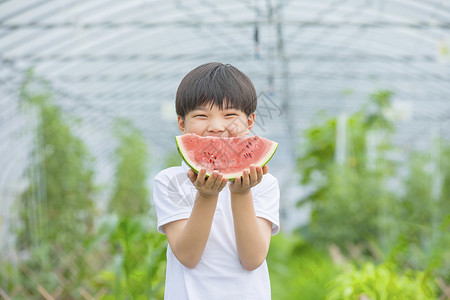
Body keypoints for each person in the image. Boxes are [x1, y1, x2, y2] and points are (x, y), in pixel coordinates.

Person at [153, 62, 280, 300]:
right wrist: (207, 195)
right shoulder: (169, 181)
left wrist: (242, 194)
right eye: (202, 116)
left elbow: (252, 259)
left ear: (249, 122)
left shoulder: (264, 183)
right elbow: (188, 256)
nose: (217, 127)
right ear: (182, 123)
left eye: (230, 115)